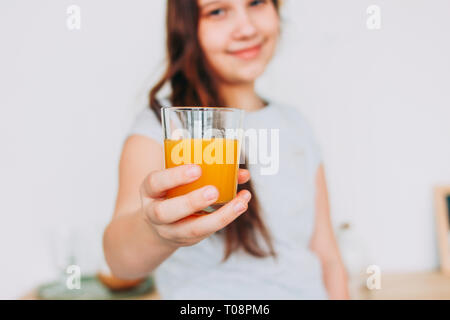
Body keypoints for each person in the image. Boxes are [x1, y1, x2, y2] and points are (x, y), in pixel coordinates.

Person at [103, 0, 349, 299]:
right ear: (187, 27)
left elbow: (328, 257)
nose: (246, 29)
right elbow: (120, 260)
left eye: (256, 2)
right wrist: (156, 231)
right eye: (217, 11)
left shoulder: (296, 124)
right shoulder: (164, 129)